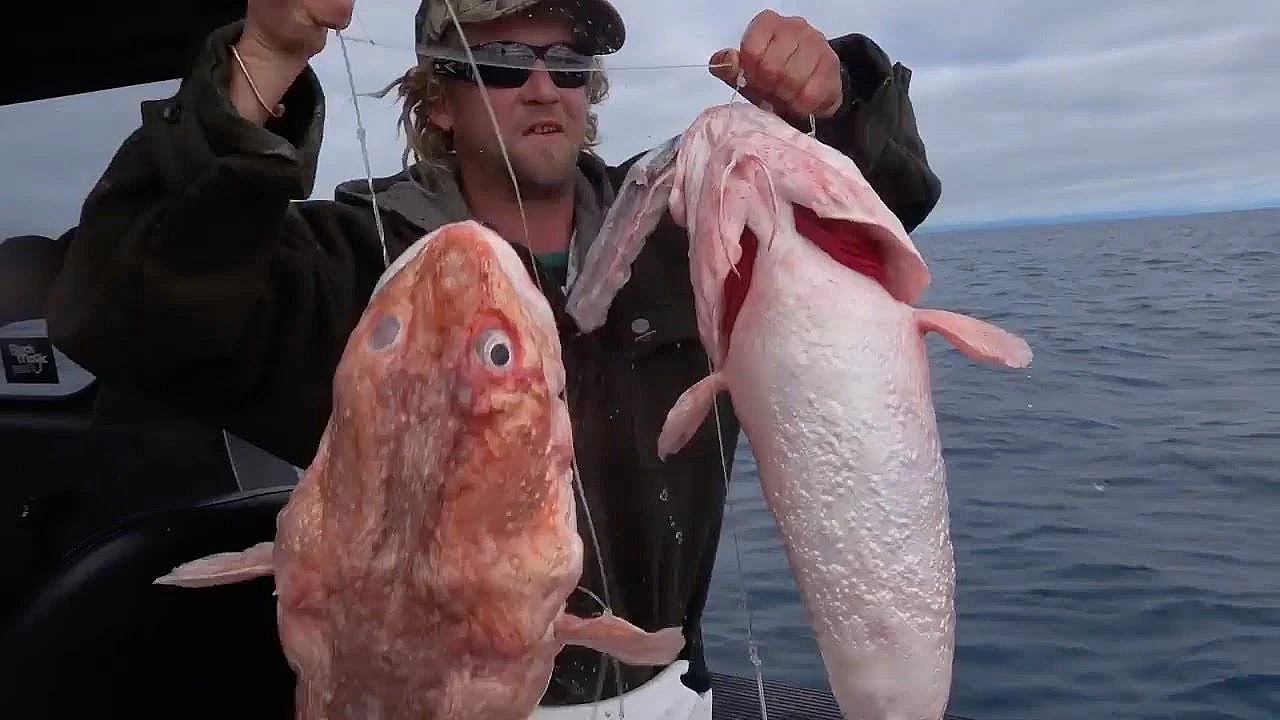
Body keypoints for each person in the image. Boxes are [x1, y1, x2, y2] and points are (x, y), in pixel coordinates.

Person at [46, 0, 942, 715]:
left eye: (570, 64)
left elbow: (874, 214)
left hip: (667, 687)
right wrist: (266, 62)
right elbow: (123, 310)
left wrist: (837, 99)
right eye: (505, 63)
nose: (544, 87)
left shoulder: (685, 227)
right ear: (437, 100)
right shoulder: (353, 263)